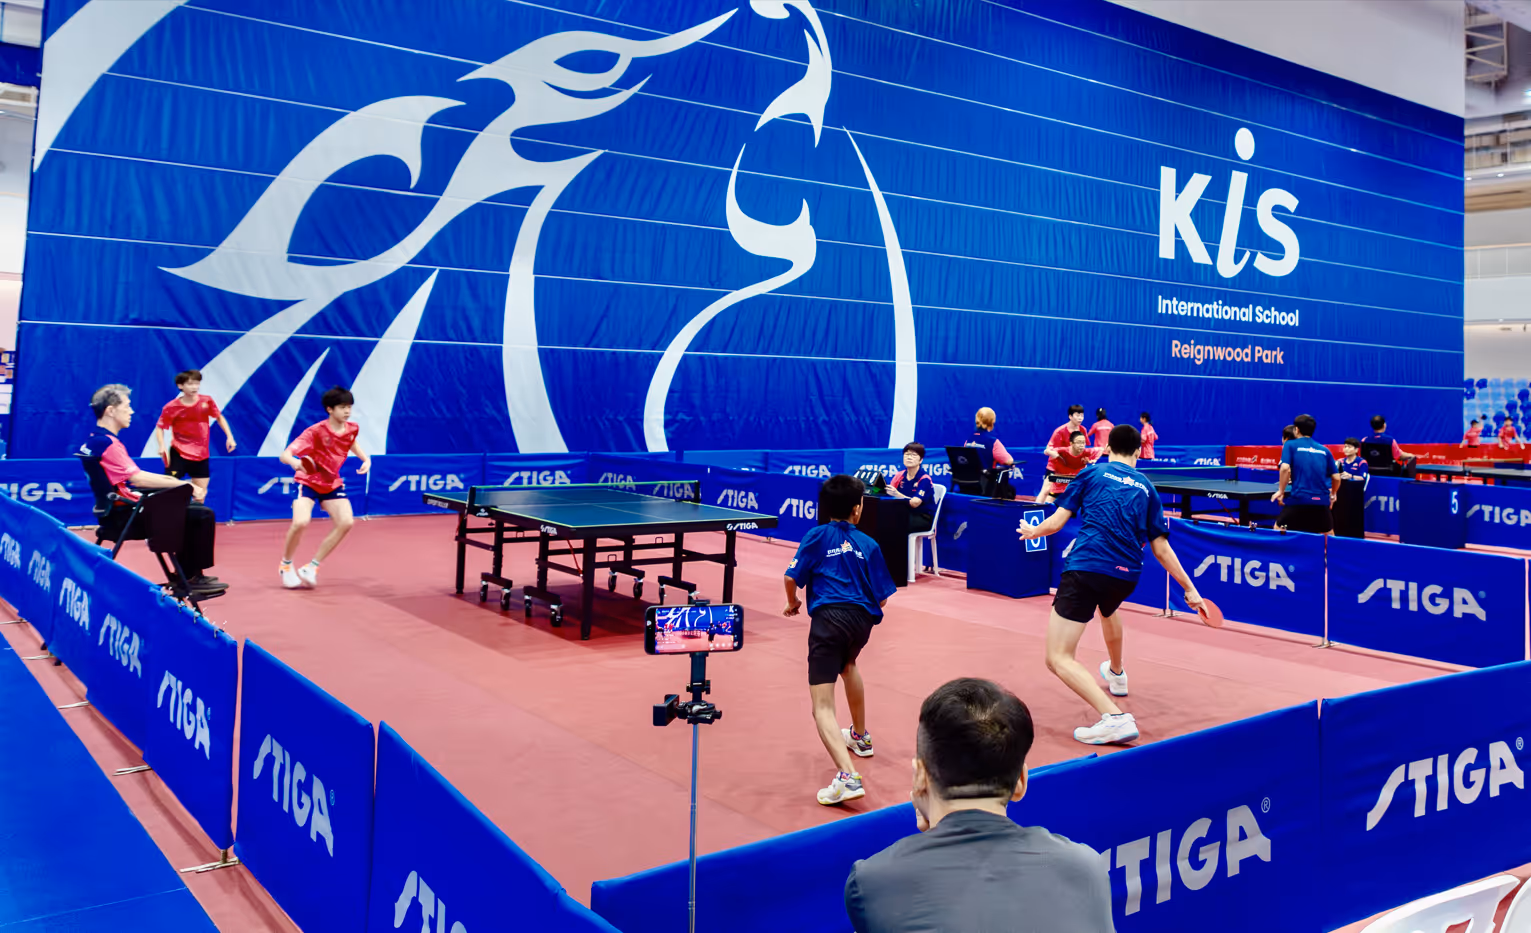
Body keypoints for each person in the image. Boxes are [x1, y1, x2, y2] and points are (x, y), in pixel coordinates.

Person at [843, 678, 1113, 933]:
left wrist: (934, 827)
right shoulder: (1086, 867)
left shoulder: (873, 882)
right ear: (1021, 781)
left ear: (920, 776)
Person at [1018, 424, 1203, 744]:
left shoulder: (1091, 473)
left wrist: (1034, 531)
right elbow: (1161, 548)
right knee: (1107, 607)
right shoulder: (1147, 488)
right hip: (1126, 576)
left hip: (1087, 567)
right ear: (1138, 452)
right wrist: (1190, 588)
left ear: (1107, 448)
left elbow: (1057, 522)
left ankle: (1115, 717)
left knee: (1057, 658)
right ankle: (1116, 673)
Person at [783, 474, 898, 805]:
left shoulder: (816, 535)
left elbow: (791, 577)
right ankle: (860, 737)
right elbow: (882, 598)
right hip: (862, 622)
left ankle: (847, 777)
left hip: (829, 620)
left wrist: (793, 602)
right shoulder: (869, 544)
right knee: (848, 665)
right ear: (857, 509)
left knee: (822, 706)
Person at [76, 384, 226, 596]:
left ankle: (186, 576)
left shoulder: (95, 441)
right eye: (127, 406)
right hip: (125, 517)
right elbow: (138, 480)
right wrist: (187, 485)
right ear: (110, 410)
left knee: (188, 509)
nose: (131, 411)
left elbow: (134, 476)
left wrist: (172, 481)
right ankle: (190, 578)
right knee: (201, 515)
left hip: (114, 512)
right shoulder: (108, 444)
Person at [278, 386, 370, 589]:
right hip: (308, 481)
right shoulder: (315, 432)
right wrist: (295, 463)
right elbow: (285, 455)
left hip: (331, 483)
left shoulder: (352, 428)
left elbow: (351, 442)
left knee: (346, 522)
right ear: (330, 409)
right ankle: (285, 565)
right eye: (342, 407)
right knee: (301, 522)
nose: (347, 411)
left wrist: (365, 459)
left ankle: (311, 567)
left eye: (349, 407)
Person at [155, 369, 236, 493]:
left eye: (197, 383)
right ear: (180, 386)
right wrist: (161, 446)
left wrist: (230, 437)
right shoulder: (171, 407)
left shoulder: (207, 401)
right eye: (190, 384)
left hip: (201, 455)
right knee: (169, 488)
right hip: (179, 453)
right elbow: (160, 427)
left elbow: (219, 417)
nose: (195, 387)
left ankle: (196, 506)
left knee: (201, 492)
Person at [1271, 414, 1341, 534]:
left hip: (1299, 498)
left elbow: (1285, 468)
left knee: (1278, 529)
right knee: (1329, 536)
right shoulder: (1325, 450)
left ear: (1296, 430)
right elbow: (1336, 477)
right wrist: (1333, 494)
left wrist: (1281, 491)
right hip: (1321, 500)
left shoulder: (1290, 445)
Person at [1036, 431, 1101, 505]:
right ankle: (1037, 508)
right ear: (1071, 443)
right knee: (1046, 490)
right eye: (1079, 442)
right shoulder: (1063, 450)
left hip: (1070, 470)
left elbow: (1100, 450)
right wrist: (1053, 454)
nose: (1081, 445)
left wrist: (1093, 459)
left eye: (1083, 442)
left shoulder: (1086, 451)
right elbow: (1046, 451)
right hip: (1055, 468)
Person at [885, 442, 937, 533]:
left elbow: (915, 503)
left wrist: (898, 494)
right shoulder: (899, 475)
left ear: (920, 460)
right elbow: (889, 493)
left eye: (913, 455)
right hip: (905, 512)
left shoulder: (924, 479)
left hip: (922, 516)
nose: (909, 457)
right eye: (907, 454)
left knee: (894, 522)